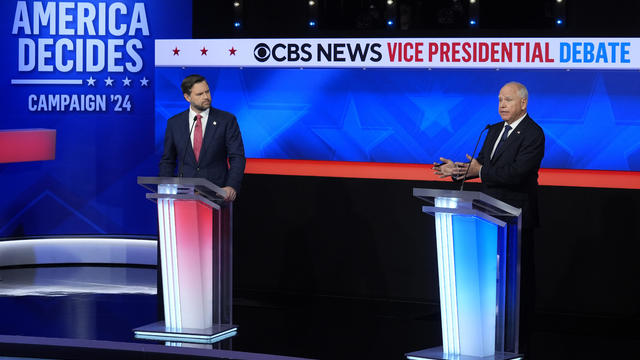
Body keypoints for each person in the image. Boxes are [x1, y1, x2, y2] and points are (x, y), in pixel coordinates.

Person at [433, 81, 545, 356]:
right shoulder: (493, 131)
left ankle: (520, 342)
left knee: (517, 284)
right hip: (487, 215)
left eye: (508, 100)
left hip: (515, 218)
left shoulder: (533, 134)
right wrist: (458, 170)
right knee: (491, 281)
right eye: (499, 100)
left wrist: (480, 170)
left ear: (523, 103)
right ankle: (488, 337)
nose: (502, 105)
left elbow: (515, 174)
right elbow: (482, 166)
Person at [159, 74, 246, 201]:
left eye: (207, 92)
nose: (206, 97)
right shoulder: (174, 123)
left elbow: (237, 157)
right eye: (200, 94)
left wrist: (231, 186)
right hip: (184, 196)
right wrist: (165, 187)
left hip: (218, 194)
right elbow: (168, 160)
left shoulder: (226, 120)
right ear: (187, 97)